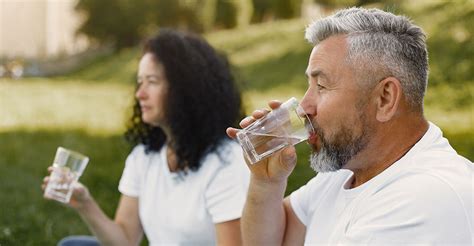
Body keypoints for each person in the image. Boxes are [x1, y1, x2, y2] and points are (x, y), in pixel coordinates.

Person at [227, 7, 473, 245]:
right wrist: (266, 183)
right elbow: (273, 241)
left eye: (321, 86)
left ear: (385, 98)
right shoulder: (351, 169)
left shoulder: (424, 198)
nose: (303, 107)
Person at [43, 29, 250, 245]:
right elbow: (125, 240)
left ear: (185, 89)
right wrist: (84, 204)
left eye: (151, 81)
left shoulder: (227, 162)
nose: (140, 94)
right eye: (140, 82)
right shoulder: (144, 157)